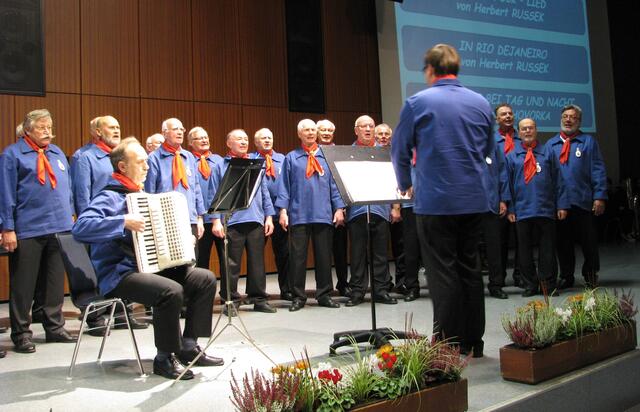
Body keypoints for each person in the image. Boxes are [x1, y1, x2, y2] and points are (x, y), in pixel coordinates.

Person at [72, 137, 223, 380]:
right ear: (122, 167)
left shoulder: (142, 195)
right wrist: (122, 221)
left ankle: (188, 346)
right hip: (119, 274)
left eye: (146, 162)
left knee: (204, 279)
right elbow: (80, 229)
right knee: (170, 291)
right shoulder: (109, 197)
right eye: (140, 162)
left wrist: (183, 241)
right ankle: (164, 358)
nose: (147, 166)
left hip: (149, 268)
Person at [391, 44, 495, 357]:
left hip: (436, 201)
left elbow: (399, 150)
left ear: (430, 69)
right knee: (470, 269)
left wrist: (405, 183)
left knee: (442, 272)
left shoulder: (417, 102)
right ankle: (473, 343)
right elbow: (489, 151)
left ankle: (448, 344)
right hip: (474, 199)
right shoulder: (481, 103)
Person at [1, 109, 78, 354]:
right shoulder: (13, 154)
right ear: (27, 130)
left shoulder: (57, 153)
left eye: (49, 127)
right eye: (41, 127)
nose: (47, 131)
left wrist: (72, 213)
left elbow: (67, 189)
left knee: (54, 284)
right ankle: (21, 333)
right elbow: (5, 193)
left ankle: (54, 327)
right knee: (23, 286)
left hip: (60, 226)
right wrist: (7, 227)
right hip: (28, 228)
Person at [276, 119, 345, 311]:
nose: (310, 133)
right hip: (299, 214)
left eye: (313, 130)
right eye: (306, 130)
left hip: (323, 213)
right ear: (299, 134)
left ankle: (324, 294)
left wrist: (339, 208)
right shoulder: (292, 157)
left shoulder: (326, 156)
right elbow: (284, 187)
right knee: (297, 258)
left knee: (324, 257)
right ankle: (298, 296)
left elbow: (335, 185)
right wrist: (283, 211)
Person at [211, 129, 276, 314]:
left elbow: (264, 192)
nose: (243, 142)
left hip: (255, 219)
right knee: (230, 264)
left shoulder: (256, 164)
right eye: (239, 139)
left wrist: (269, 217)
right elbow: (212, 194)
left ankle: (259, 298)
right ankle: (230, 300)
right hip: (231, 222)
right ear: (228, 143)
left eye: (245, 139)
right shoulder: (220, 166)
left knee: (257, 263)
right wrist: (215, 221)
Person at [545, 104, 607, 289]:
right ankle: (566, 276)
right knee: (563, 243)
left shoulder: (588, 142)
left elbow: (598, 170)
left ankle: (591, 275)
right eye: (565, 116)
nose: (568, 120)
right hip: (560, 204)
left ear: (579, 121)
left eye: (573, 117)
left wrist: (599, 196)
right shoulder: (551, 144)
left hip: (583, 201)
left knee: (589, 242)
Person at [505, 119, 569, 296]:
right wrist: (511, 208)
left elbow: (558, 180)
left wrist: (561, 205)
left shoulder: (548, 152)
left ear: (536, 130)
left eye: (530, 128)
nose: (527, 131)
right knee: (524, 251)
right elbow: (507, 184)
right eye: (524, 128)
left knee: (547, 249)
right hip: (522, 210)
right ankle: (530, 285)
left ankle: (548, 284)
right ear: (519, 132)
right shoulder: (512, 156)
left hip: (545, 208)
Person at [345, 116, 396, 306]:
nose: (368, 129)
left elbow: (393, 179)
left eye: (371, 126)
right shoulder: (347, 153)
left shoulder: (384, 152)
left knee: (380, 253)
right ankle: (357, 291)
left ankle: (381, 290)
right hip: (357, 210)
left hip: (380, 208)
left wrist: (395, 207)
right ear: (356, 130)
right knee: (357, 254)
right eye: (364, 126)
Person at [145, 118, 206, 253]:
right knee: (172, 262)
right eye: (175, 129)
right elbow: (149, 193)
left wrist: (199, 218)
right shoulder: (154, 158)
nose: (179, 132)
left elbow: (196, 188)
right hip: (166, 221)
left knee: (192, 260)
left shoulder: (189, 157)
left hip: (190, 219)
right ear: (164, 133)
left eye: (181, 129)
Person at [483, 103, 518, 299]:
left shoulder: (493, 146)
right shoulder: (464, 145)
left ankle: (496, 284)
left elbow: (502, 173)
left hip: (492, 204)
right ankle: (472, 286)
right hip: (469, 206)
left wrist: (503, 199)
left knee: (494, 247)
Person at [252, 128, 291, 301]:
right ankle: (257, 293)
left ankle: (287, 290)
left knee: (284, 253)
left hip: (279, 213)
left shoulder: (282, 159)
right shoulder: (251, 160)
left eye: (270, 137)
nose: (267, 140)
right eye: (263, 138)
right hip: (259, 215)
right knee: (256, 256)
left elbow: (286, 186)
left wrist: (283, 209)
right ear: (256, 142)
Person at [316, 119, 350, 297]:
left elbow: (345, 182)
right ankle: (324, 287)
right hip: (319, 208)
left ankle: (343, 283)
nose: (327, 133)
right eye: (323, 130)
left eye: (330, 130)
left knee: (340, 249)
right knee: (322, 251)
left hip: (339, 208)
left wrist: (341, 207)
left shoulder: (341, 153)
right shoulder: (312, 153)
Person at [374, 123, 407, 295]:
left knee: (399, 246)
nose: (383, 137)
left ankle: (401, 282)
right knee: (380, 249)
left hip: (396, 206)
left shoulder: (397, 153)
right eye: (380, 134)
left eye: (386, 134)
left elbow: (398, 180)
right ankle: (384, 282)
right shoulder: (371, 153)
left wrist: (396, 207)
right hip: (377, 207)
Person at [187, 127, 223, 271]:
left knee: (226, 258)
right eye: (199, 138)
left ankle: (227, 286)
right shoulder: (187, 161)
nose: (204, 140)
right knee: (201, 259)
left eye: (206, 137)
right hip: (199, 218)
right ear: (190, 142)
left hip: (219, 217)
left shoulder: (219, 161)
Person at [72, 116, 122, 215]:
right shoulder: (86, 157)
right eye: (111, 128)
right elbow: (82, 196)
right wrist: (86, 219)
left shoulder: (123, 156)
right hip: (100, 217)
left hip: (123, 217)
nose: (116, 131)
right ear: (98, 132)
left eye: (118, 127)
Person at [70, 116, 101, 182]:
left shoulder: (116, 152)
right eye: (111, 128)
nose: (115, 131)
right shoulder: (79, 155)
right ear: (93, 132)